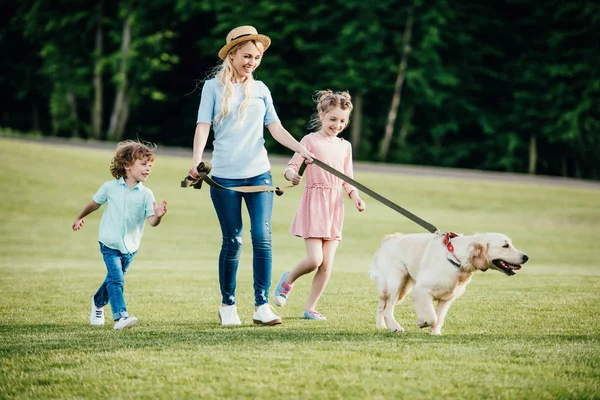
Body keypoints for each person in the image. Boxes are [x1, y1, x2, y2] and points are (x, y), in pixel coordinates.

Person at [187, 25, 313, 326]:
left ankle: (261, 305)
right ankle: (228, 304)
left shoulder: (261, 89)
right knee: (233, 240)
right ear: (231, 54)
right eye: (246, 56)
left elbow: (276, 128)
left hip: (259, 175)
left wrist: (301, 148)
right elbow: (202, 125)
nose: (251, 62)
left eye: (256, 57)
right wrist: (196, 160)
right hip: (225, 178)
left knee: (263, 238)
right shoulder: (212, 88)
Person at [273, 90, 365, 320]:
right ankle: (288, 279)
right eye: (333, 119)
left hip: (335, 206)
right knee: (314, 260)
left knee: (327, 265)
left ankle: (310, 308)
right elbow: (291, 167)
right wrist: (291, 175)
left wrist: (355, 196)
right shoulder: (310, 141)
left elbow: (347, 177)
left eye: (343, 121)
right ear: (322, 114)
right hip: (314, 203)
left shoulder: (345, 146)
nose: (337, 125)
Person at [72, 140, 167, 330]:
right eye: (143, 164)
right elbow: (94, 204)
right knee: (117, 279)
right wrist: (80, 217)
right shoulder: (109, 187)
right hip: (109, 243)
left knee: (113, 279)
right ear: (127, 165)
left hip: (131, 247)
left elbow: (152, 222)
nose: (148, 168)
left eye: (150, 165)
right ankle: (120, 317)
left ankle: (98, 302)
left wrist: (158, 216)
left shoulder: (147, 194)